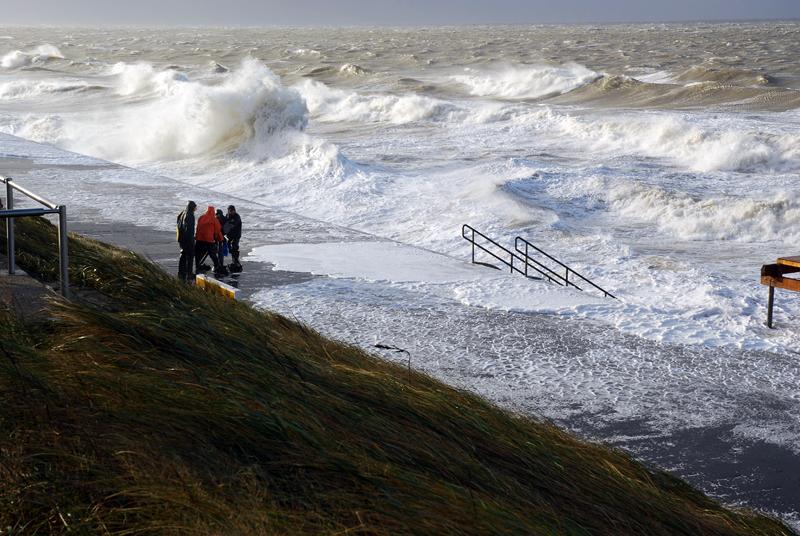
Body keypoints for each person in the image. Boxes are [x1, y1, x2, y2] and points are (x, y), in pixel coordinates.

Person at [195, 205, 224, 276]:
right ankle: (217, 266)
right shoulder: (214, 219)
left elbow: (197, 227)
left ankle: (197, 265)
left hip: (199, 239)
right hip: (209, 240)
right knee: (213, 254)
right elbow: (217, 230)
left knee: (198, 254)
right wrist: (220, 239)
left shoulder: (201, 217)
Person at [176, 201, 197, 282]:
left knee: (183, 256)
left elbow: (178, 223)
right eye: (195, 207)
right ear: (192, 207)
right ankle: (189, 274)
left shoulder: (183, 213)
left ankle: (181, 273)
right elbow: (190, 230)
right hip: (187, 240)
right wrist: (192, 241)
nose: (196, 209)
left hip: (181, 239)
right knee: (190, 256)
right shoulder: (190, 215)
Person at [224, 205, 242, 272]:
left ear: (234, 210)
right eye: (229, 210)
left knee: (235, 247)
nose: (230, 212)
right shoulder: (227, 215)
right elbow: (225, 222)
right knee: (230, 248)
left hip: (236, 235)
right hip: (229, 236)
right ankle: (234, 260)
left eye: (231, 210)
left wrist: (224, 231)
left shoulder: (237, 217)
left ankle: (236, 262)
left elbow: (232, 224)